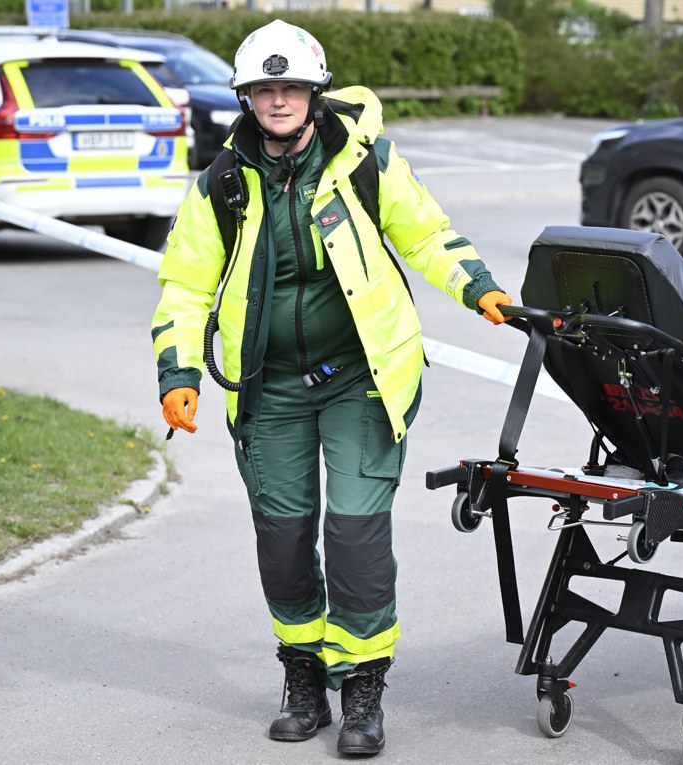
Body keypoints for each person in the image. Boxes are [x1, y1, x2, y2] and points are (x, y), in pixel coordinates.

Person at [149, 19, 511, 757]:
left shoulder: (362, 161)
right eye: (262, 89)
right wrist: (178, 373)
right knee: (282, 538)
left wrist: (480, 289)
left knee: (354, 531)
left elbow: (426, 233)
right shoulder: (223, 182)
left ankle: (365, 687)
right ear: (246, 98)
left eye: (290, 88)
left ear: (314, 94)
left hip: (362, 380)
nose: (277, 100)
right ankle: (305, 675)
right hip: (268, 388)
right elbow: (184, 284)